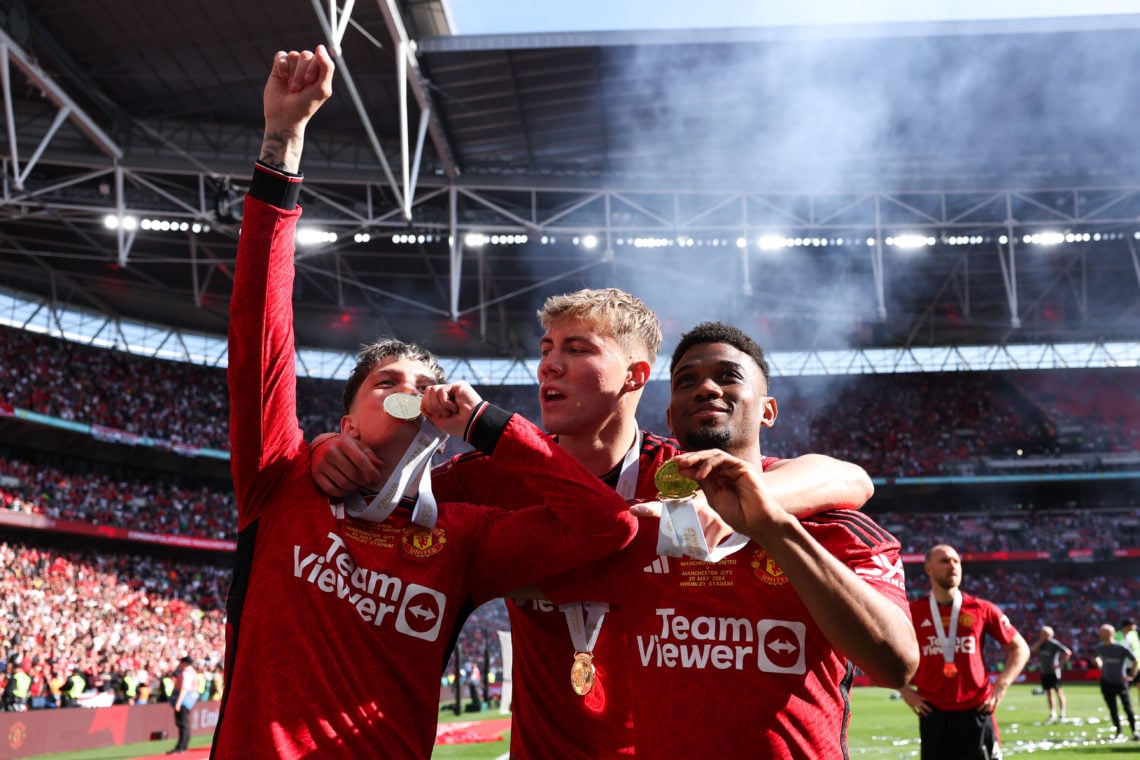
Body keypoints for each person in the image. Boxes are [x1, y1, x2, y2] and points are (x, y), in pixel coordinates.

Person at [212, 44, 640, 758]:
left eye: (422, 381)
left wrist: (487, 424)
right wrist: (282, 146)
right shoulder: (282, 480)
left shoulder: (462, 539)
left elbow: (609, 527)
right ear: (345, 422)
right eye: (389, 382)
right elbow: (260, 329)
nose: (412, 389)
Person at [313, 302, 883, 756]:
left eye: (576, 349)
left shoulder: (681, 473)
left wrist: (729, 506)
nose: (548, 365)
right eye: (546, 350)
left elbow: (846, 475)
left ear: (635, 376)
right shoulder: (485, 478)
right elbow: (382, 501)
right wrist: (323, 448)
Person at [899, 544, 1030, 760]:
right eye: (944, 561)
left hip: (977, 710)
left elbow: (1020, 648)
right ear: (928, 569)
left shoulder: (981, 608)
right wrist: (904, 691)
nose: (952, 565)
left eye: (956, 561)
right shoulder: (913, 612)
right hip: (933, 713)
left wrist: (1001, 685)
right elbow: (882, 652)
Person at [1094, 623, 1139, 740]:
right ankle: (1119, 732)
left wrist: (1131, 676)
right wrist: (1098, 662)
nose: (1100, 634)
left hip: (1120, 682)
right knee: (1112, 709)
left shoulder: (1121, 648)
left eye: (1102, 632)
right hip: (1106, 682)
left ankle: (1134, 731)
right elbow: (1096, 656)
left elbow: (1135, 660)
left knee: (1127, 708)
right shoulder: (1099, 647)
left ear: (1109, 634)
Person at [1029, 624, 1071, 722]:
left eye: (1044, 633)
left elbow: (1067, 652)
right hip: (1044, 671)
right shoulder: (1041, 643)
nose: (1042, 635)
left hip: (1054, 672)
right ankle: (1053, 714)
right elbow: (1033, 650)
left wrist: (1060, 664)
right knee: (1048, 692)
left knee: (1059, 692)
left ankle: (1063, 714)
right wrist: (1040, 641)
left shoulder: (1054, 643)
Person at [167, 656, 198, 755]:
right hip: (188, 700)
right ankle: (182, 746)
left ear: (184, 663)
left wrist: (178, 703)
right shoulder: (193, 672)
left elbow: (184, 689)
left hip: (184, 700)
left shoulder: (186, 673)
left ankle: (181, 747)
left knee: (183, 724)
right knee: (185, 724)